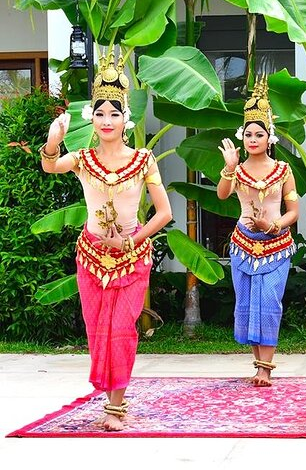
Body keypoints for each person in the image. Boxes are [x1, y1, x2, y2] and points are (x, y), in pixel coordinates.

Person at [40, 51, 172, 431]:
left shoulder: (143, 159)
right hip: (91, 257)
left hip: (131, 259)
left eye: (114, 113)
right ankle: (111, 394)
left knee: (121, 328)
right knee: (97, 329)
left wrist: (130, 243)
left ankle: (116, 405)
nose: (107, 120)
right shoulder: (81, 158)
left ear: (125, 117)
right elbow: (51, 165)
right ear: (92, 119)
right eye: (100, 113)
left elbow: (163, 213)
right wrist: (54, 141)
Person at [217, 76, 299, 387]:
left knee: (269, 302)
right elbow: (222, 195)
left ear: (270, 138)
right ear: (243, 137)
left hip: (276, 245)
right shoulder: (236, 171)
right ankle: (258, 365)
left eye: (259, 134)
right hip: (243, 245)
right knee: (249, 303)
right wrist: (228, 166)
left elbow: (293, 212)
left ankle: (266, 367)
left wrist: (273, 225)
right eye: (248, 134)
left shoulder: (283, 170)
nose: (253, 139)